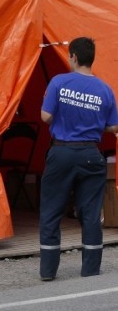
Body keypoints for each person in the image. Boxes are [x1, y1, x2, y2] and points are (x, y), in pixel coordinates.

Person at [39, 36, 118, 281]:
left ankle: (48, 271)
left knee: (52, 211)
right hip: (91, 155)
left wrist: (66, 117)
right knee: (90, 213)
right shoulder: (105, 89)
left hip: (62, 152)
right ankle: (91, 269)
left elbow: (45, 117)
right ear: (91, 58)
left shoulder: (58, 82)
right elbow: (114, 127)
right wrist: (91, 124)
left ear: (73, 56)